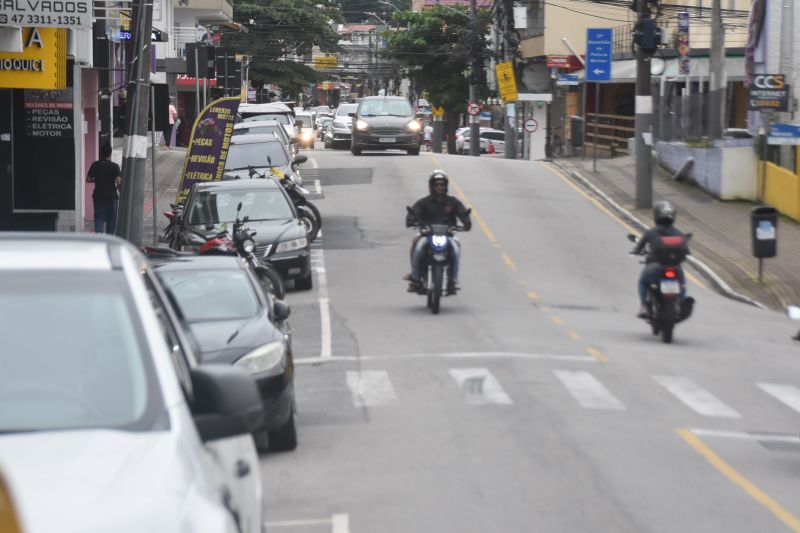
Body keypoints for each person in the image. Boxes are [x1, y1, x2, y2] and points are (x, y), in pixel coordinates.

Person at [405, 170, 471, 294]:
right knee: (416, 244)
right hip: (427, 233)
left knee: (457, 246)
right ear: (431, 186)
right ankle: (415, 277)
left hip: (448, 235)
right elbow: (414, 212)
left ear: (446, 186)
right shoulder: (423, 202)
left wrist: (466, 223)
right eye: (437, 185)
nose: (439, 187)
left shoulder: (452, 202)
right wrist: (412, 221)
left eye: (442, 184)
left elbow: (462, 213)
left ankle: (453, 280)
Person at [631, 200, 689, 318]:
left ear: (656, 215)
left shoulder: (650, 233)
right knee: (682, 284)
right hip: (675, 267)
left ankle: (644, 307)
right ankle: (680, 304)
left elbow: (638, 248)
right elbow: (686, 250)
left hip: (654, 267)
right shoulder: (678, 233)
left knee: (643, 281)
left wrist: (636, 252)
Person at [86, 143, 122, 234]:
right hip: (111, 196)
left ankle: (99, 237)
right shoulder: (115, 166)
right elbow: (118, 181)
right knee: (111, 218)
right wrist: (119, 191)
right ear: (110, 153)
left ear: (101, 153)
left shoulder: (95, 165)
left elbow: (88, 179)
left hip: (98, 195)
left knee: (99, 216)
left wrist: (97, 179)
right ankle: (109, 239)